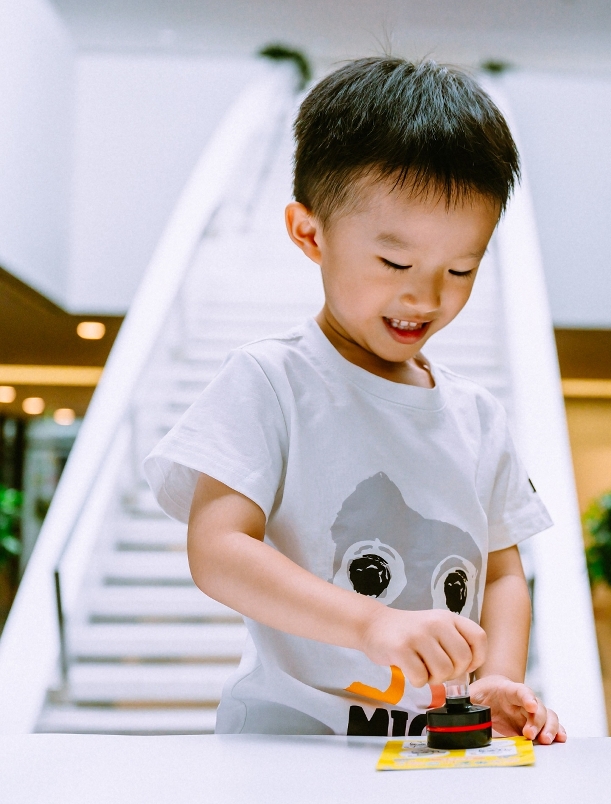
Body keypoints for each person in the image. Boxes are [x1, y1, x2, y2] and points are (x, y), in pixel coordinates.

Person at [144, 57, 565, 742]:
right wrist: (371, 622)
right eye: (395, 263)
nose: (426, 296)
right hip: (286, 747)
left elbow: (502, 576)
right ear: (310, 234)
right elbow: (217, 549)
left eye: (460, 269)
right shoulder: (270, 380)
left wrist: (497, 678)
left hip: (435, 749)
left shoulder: (479, 418)